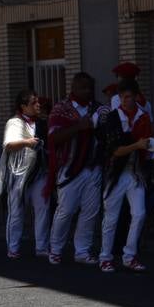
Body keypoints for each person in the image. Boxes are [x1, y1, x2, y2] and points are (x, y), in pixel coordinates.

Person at [46, 73, 103, 265]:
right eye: (83, 87)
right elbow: (53, 138)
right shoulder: (61, 109)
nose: (87, 91)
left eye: (90, 88)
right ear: (74, 88)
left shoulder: (98, 108)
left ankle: (82, 251)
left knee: (90, 211)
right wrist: (79, 127)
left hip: (93, 167)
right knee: (66, 211)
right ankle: (55, 249)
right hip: (70, 169)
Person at [98, 79, 154, 272]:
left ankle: (129, 255)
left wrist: (152, 147)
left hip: (135, 172)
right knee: (111, 217)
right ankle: (105, 256)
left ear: (136, 97)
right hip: (115, 173)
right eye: (122, 97)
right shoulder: (113, 118)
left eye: (129, 96)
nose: (125, 100)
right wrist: (137, 145)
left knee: (139, 214)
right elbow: (114, 150)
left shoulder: (143, 117)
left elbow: (149, 143)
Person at [0, 90, 49, 260]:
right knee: (17, 211)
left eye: (38, 101)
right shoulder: (15, 122)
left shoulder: (42, 123)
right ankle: (13, 248)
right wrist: (27, 142)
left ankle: (42, 247)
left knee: (42, 208)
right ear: (23, 106)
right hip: (18, 174)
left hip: (39, 173)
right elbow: (9, 145)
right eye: (34, 102)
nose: (38, 105)